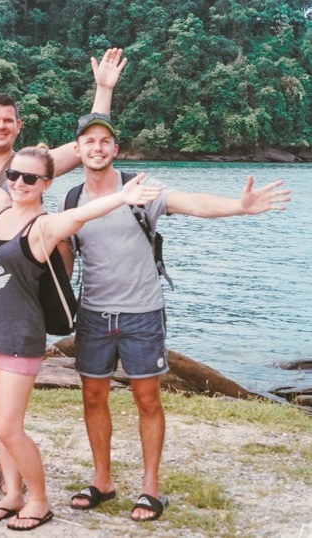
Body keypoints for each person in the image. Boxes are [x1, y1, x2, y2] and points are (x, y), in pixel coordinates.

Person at [0, 87, 163, 531]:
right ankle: (13, 493)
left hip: (20, 338)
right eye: (14, 175)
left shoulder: (44, 226)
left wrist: (120, 197)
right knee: (2, 425)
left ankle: (38, 499)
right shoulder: (0, 206)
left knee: (7, 427)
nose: (18, 182)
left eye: (29, 178)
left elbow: (83, 214)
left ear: (46, 184)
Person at [64, 113, 290, 522]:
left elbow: (192, 202)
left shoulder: (141, 190)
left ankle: (150, 489)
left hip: (142, 313)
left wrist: (239, 207)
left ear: (116, 149)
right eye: (88, 141)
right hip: (94, 315)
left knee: (146, 398)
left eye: (104, 141)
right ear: (77, 150)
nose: (97, 148)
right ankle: (103, 480)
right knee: (93, 397)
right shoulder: (71, 199)